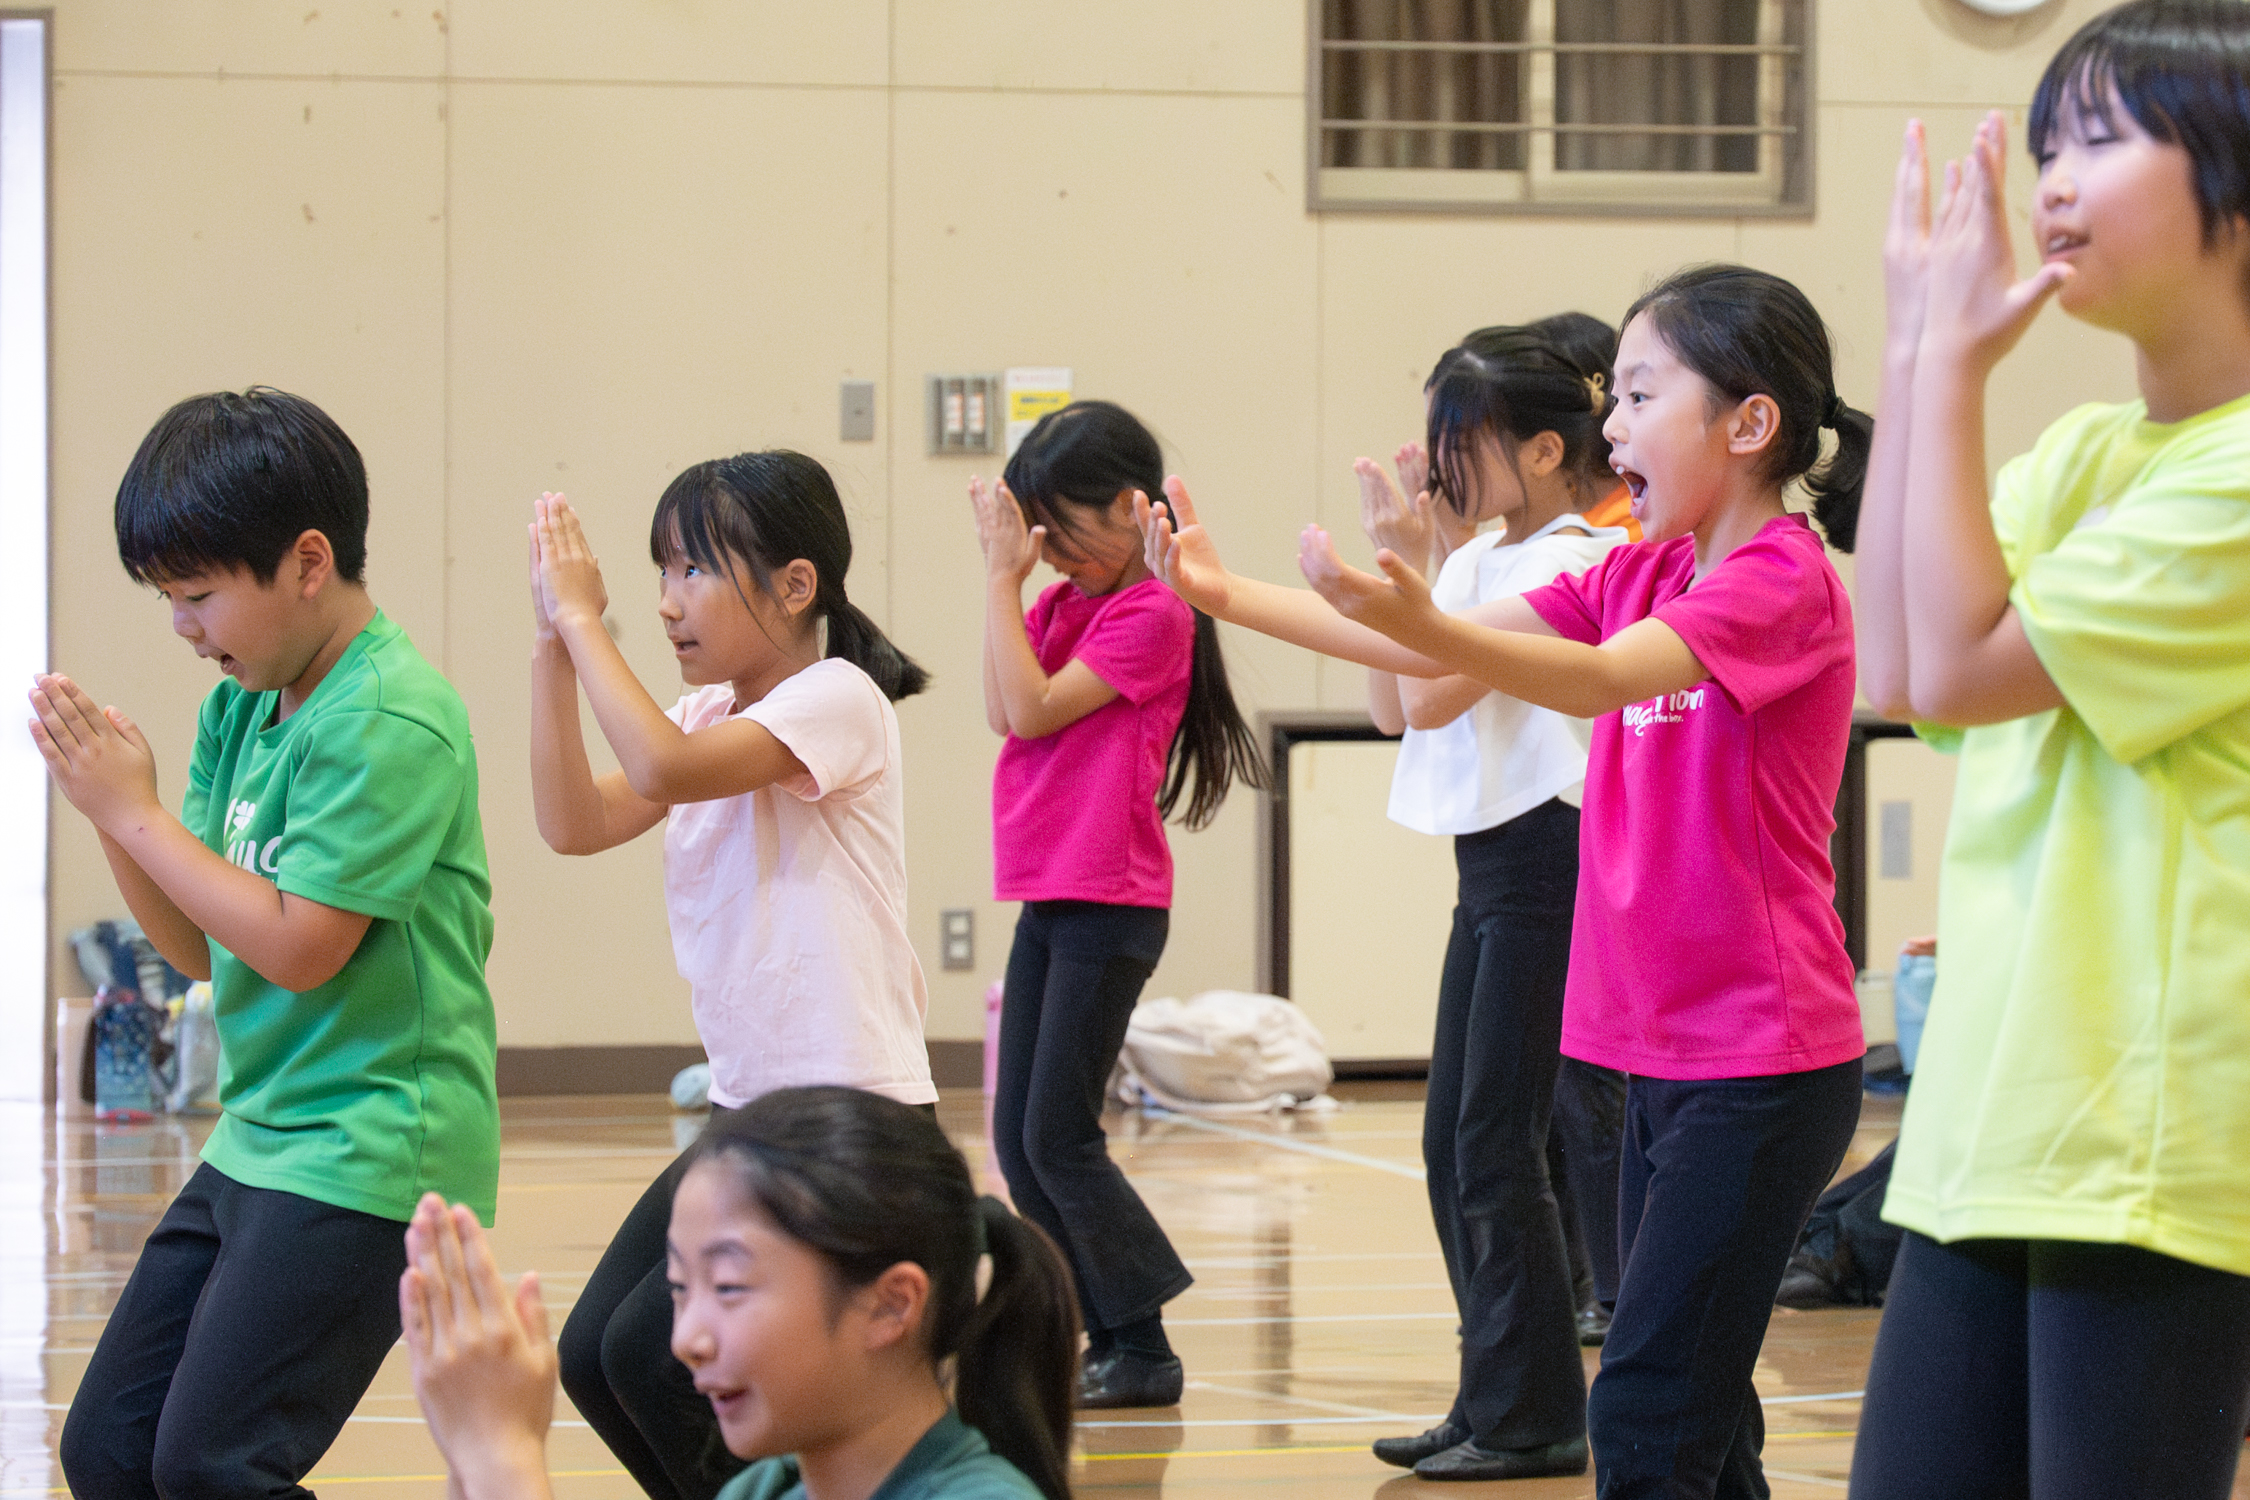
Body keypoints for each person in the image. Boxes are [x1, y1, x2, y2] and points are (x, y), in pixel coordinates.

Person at [1159, 262, 1871, 1498]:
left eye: (1643, 395)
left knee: (1649, 1405)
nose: (1612, 427)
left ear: (1751, 424)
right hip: (1658, 1053)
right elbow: (1421, 651)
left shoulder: (1781, 583)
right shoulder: (1652, 569)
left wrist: (1428, 618)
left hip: (1761, 1061)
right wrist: (1228, 598)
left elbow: (1594, 679)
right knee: (1703, 1413)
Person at [1850, 4, 2250, 1493]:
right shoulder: (2083, 454)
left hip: (2142, 1142)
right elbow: (1899, 668)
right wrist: (1909, 349)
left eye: (2099, 137)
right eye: (2042, 147)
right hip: (1985, 1123)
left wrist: (1945, 368)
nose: (2051, 183)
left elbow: (1951, 653)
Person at [1135, 319, 1628, 1479]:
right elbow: (1395, 709)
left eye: (1466, 438)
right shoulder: (1474, 560)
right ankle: (1502, 1392)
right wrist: (1382, 587)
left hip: (1549, 869)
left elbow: (1444, 688)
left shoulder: (1571, 560)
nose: (1444, 460)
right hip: (1491, 874)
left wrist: (1380, 592)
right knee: (1456, 1141)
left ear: (1550, 454)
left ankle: (1532, 1409)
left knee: (1494, 1142)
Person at [34, 387, 501, 1499]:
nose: (184, 629)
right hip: (262, 1138)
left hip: (377, 1154)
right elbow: (204, 952)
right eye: (169, 601)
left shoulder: (389, 716)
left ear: (305, 561)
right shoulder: (245, 708)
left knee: (211, 1465)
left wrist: (138, 813)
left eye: (198, 596)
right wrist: (115, 817)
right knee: (108, 1450)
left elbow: (298, 949)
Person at [529, 454, 935, 1500]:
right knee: (596, 1358)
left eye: (695, 571)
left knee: (648, 1357)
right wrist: (551, 645)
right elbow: (574, 823)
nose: (668, 604)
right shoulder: (703, 717)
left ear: (796, 585)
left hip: (852, 1120)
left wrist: (586, 624)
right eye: (660, 573)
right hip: (755, 1113)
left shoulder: (838, 698)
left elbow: (659, 772)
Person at [969, 400, 1265, 1410]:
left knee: (1059, 1135)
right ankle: (1101, 1334)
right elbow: (1003, 705)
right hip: (1051, 897)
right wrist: (1007, 590)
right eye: (1032, 531)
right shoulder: (1060, 605)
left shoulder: (1154, 613)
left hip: (1110, 902)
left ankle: (1139, 1341)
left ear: (1134, 509)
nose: (1048, 552)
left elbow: (1040, 706)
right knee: (1018, 1138)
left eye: (1064, 528)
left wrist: (1004, 580)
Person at [400, 1086, 1080, 1500]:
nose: (684, 1338)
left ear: (891, 1303)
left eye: (728, 1287)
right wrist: (472, 1452)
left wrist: (506, 1462)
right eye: (677, 1287)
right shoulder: (765, 1487)